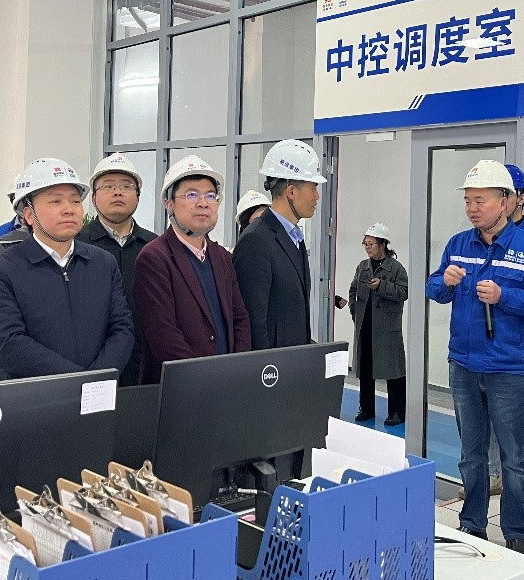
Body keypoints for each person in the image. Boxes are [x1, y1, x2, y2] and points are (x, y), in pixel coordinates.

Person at [426, 160, 524, 556]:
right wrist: (444, 282)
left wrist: (505, 296)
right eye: (468, 201)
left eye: (480, 200)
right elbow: (434, 288)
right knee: (471, 453)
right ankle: (472, 523)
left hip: (508, 367)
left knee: (514, 457)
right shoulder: (458, 244)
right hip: (464, 364)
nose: (472, 208)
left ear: (504, 201)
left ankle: (515, 532)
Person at [0, 158, 134, 380]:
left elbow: (122, 329)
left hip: (98, 392)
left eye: (75, 201)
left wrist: (97, 379)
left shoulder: (103, 263)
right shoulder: (1, 271)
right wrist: (78, 380)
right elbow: (7, 343)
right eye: (56, 201)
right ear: (29, 215)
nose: (69, 209)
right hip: (31, 395)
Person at [461, 163, 524, 499]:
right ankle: (492, 477)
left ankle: (521, 487)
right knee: (482, 422)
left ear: (518, 198)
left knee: (519, 424)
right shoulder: (476, 240)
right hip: (477, 352)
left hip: (515, 351)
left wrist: (503, 296)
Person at [133, 155, 251, 384]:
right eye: (191, 195)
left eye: (210, 196)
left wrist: (237, 370)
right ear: (169, 203)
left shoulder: (222, 257)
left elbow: (240, 319)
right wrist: (204, 381)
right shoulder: (154, 259)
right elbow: (164, 337)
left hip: (228, 384)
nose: (203, 203)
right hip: (180, 388)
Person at [232, 140, 326, 349]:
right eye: (313, 187)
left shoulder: (294, 237)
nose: (317, 196)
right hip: (273, 365)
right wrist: (266, 366)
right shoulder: (256, 241)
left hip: (293, 360)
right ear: (291, 191)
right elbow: (253, 321)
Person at [77, 153, 157, 385]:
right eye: (108, 186)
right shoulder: (76, 245)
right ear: (93, 198)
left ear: (138, 197)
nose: (118, 192)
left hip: (144, 366)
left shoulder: (154, 247)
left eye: (126, 186)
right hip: (90, 365)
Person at [348, 223, 408, 426]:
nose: (367, 247)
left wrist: (382, 286)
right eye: (365, 244)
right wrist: (355, 312)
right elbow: (353, 290)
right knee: (365, 369)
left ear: (382, 244)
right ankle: (366, 408)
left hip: (387, 328)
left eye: (371, 244)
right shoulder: (362, 267)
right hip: (365, 326)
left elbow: (403, 292)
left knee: (393, 370)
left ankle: (397, 412)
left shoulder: (396, 268)